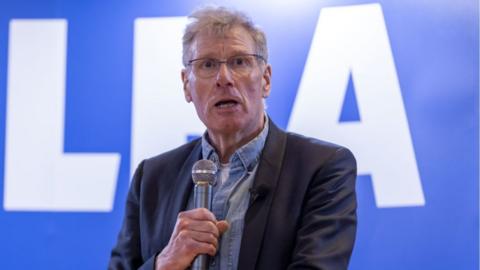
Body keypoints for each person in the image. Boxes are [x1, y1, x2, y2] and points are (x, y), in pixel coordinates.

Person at [109, 6, 357, 270]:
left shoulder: (321, 168)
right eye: (207, 64)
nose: (224, 78)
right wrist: (164, 263)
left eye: (239, 62)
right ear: (186, 85)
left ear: (266, 80)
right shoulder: (152, 178)